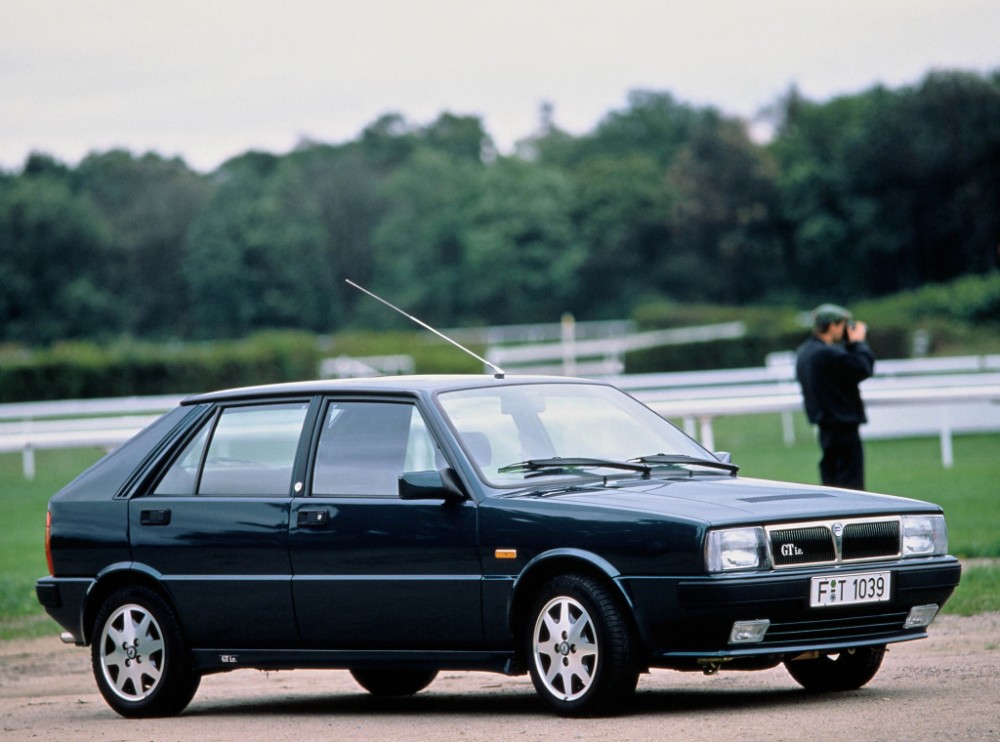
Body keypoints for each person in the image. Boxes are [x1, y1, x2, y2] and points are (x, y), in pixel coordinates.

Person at [795, 303, 875, 489]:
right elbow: (863, 368)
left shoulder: (805, 352)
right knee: (852, 487)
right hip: (843, 428)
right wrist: (858, 343)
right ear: (832, 326)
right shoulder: (827, 353)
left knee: (831, 484)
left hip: (825, 427)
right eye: (843, 325)